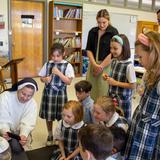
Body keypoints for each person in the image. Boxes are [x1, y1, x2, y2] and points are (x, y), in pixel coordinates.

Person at [124, 31, 160, 160]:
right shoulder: (150, 73)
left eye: (140, 57)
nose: (139, 61)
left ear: (153, 53)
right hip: (140, 125)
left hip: (149, 132)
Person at [39, 43, 75, 146]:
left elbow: (68, 82)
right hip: (48, 94)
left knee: (62, 116)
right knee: (49, 116)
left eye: (58, 56)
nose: (55, 58)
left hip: (60, 95)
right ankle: (50, 134)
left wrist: (59, 73)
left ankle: (60, 136)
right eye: (53, 56)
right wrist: (44, 79)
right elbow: (41, 78)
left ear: (63, 53)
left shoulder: (67, 65)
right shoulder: (48, 64)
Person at [0, 78, 38, 160]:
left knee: (17, 148)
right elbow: (2, 119)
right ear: (18, 89)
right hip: (2, 131)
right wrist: (4, 131)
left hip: (17, 134)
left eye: (29, 96)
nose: (25, 98)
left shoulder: (32, 104)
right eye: (23, 94)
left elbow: (28, 123)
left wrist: (23, 134)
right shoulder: (5, 97)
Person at [86, 9, 118, 101]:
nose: (101, 25)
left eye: (104, 22)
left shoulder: (113, 32)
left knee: (103, 91)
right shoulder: (92, 31)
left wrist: (100, 67)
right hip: (93, 64)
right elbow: (89, 50)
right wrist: (94, 65)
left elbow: (113, 53)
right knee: (91, 90)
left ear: (108, 20)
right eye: (99, 22)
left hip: (106, 66)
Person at [103, 34, 136, 121]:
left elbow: (133, 86)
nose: (112, 51)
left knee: (122, 122)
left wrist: (115, 83)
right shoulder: (114, 61)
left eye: (115, 48)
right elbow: (114, 76)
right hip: (112, 98)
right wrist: (107, 77)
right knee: (112, 120)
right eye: (111, 48)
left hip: (123, 102)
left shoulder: (129, 65)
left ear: (124, 48)